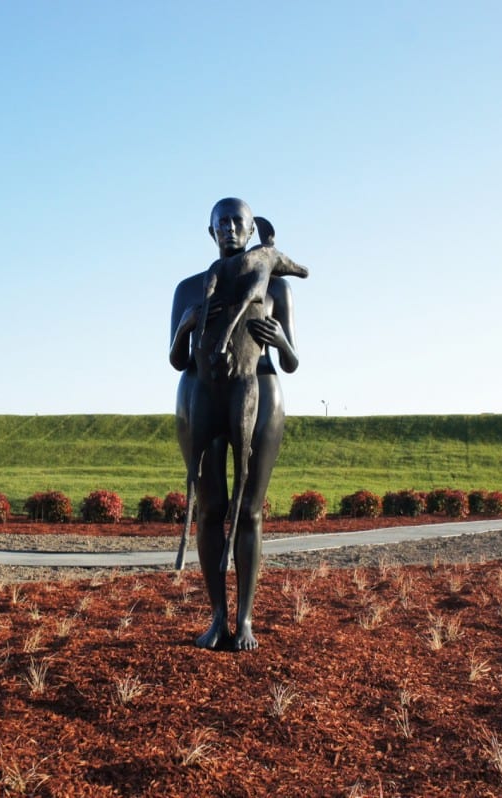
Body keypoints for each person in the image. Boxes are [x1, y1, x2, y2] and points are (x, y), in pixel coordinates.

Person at [169, 197, 301, 651]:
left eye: (237, 222)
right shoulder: (188, 288)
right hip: (201, 393)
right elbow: (176, 359)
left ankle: (244, 620)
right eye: (220, 223)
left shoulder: (275, 286)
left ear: (250, 230)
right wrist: (185, 329)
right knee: (209, 509)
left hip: (259, 390)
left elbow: (292, 361)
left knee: (249, 509)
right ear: (210, 232)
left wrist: (281, 340)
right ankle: (217, 617)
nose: (229, 228)